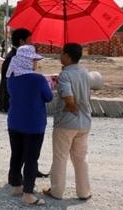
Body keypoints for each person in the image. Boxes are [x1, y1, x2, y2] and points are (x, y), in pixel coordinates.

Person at [43, 43, 92, 201]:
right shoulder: (85, 72)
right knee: (80, 159)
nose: (60, 56)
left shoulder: (65, 75)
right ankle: (84, 192)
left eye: (62, 53)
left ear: (68, 56)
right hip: (84, 122)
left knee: (60, 157)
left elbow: (68, 98)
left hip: (67, 123)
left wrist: (70, 107)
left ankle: (57, 191)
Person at [6, 45, 53, 206]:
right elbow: (48, 97)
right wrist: (50, 84)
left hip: (14, 122)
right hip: (34, 124)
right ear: (27, 61)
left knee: (17, 155)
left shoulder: (11, 77)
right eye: (33, 60)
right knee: (31, 159)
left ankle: (17, 185)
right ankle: (28, 194)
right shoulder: (38, 79)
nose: (35, 63)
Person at [0, 28, 32, 113]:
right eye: (29, 41)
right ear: (21, 42)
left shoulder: (17, 56)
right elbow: (9, 82)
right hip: (11, 103)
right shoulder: (13, 58)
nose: (31, 44)